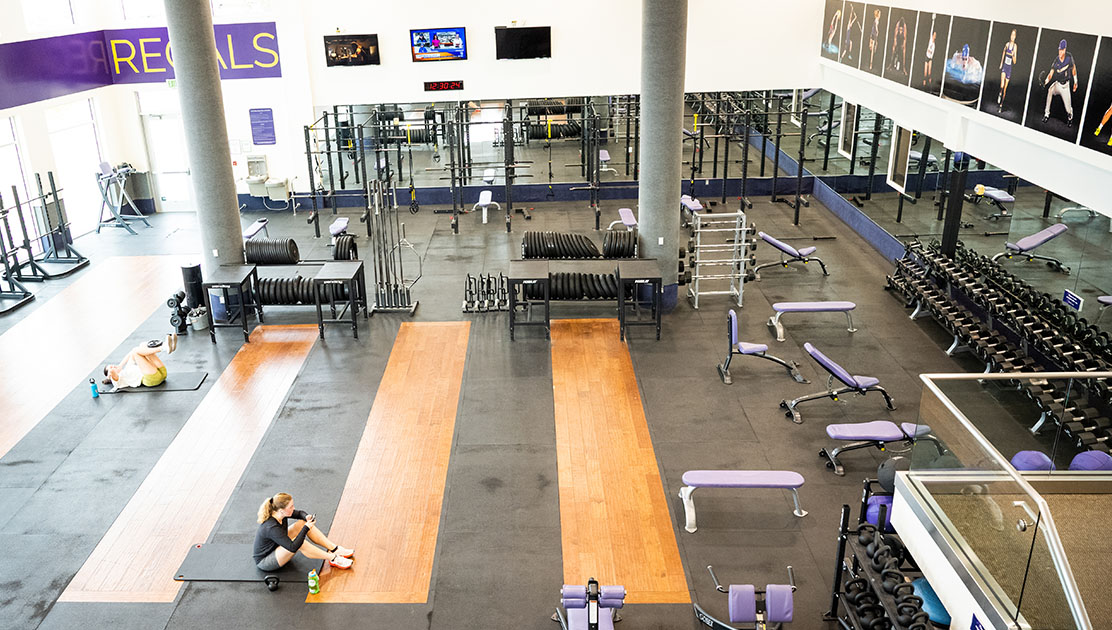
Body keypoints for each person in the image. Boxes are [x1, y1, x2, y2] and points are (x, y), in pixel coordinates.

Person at [254, 493, 354, 571]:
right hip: (267, 560)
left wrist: (306, 517)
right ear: (281, 510)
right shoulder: (271, 527)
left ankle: (334, 548)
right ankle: (333, 558)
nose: (293, 508)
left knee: (302, 523)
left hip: (277, 544)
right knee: (299, 542)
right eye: (291, 507)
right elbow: (293, 547)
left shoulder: (281, 514)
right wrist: (306, 528)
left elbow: (299, 513)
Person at [103, 334, 176, 389]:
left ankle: (166, 346)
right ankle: (163, 348)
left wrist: (120, 365)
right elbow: (113, 373)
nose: (113, 367)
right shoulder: (118, 381)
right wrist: (110, 375)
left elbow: (131, 352)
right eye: (110, 368)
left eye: (112, 365)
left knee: (143, 345)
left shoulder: (128, 367)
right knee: (136, 351)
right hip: (152, 379)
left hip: (162, 373)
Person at [1042, 39, 1078, 126]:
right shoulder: (1056, 60)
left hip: (1065, 86)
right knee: (1050, 90)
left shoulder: (1069, 57)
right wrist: (1045, 82)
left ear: (1065, 49)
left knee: (1068, 109)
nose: (1060, 51)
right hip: (1057, 84)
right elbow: (1051, 73)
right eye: (1059, 49)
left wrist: (1076, 81)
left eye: (1062, 50)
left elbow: (1073, 68)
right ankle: (1046, 114)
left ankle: (1070, 118)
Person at [997, 29, 1018, 111]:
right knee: (1001, 85)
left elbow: (1015, 62)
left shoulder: (1015, 46)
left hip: (1009, 68)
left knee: (1005, 88)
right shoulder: (1007, 44)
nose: (1012, 36)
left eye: (1014, 35)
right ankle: (999, 93)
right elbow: (1003, 53)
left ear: (1015, 37)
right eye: (1011, 35)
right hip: (1005, 67)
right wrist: (1001, 63)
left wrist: (1013, 55)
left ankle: (1001, 105)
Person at [923, 23, 937, 90]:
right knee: (925, 73)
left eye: (935, 35)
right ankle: (924, 85)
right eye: (933, 35)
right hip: (927, 57)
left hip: (930, 58)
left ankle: (930, 86)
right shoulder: (930, 41)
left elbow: (933, 53)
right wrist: (933, 20)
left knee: (929, 73)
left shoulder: (934, 44)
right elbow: (931, 31)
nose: (934, 36)